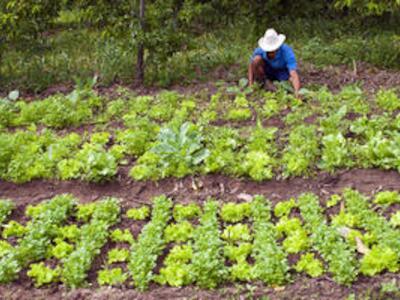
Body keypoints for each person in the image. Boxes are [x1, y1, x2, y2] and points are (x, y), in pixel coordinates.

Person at [248, 28, 301, 97]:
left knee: (290, 82)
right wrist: (250, 84)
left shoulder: (286, 51)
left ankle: (276, 85)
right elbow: (251, 65)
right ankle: (263, 81)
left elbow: (293, 72)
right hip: (268, 71)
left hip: (282, 72)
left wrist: (297, 92)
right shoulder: (260, 50)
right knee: (256, 59)